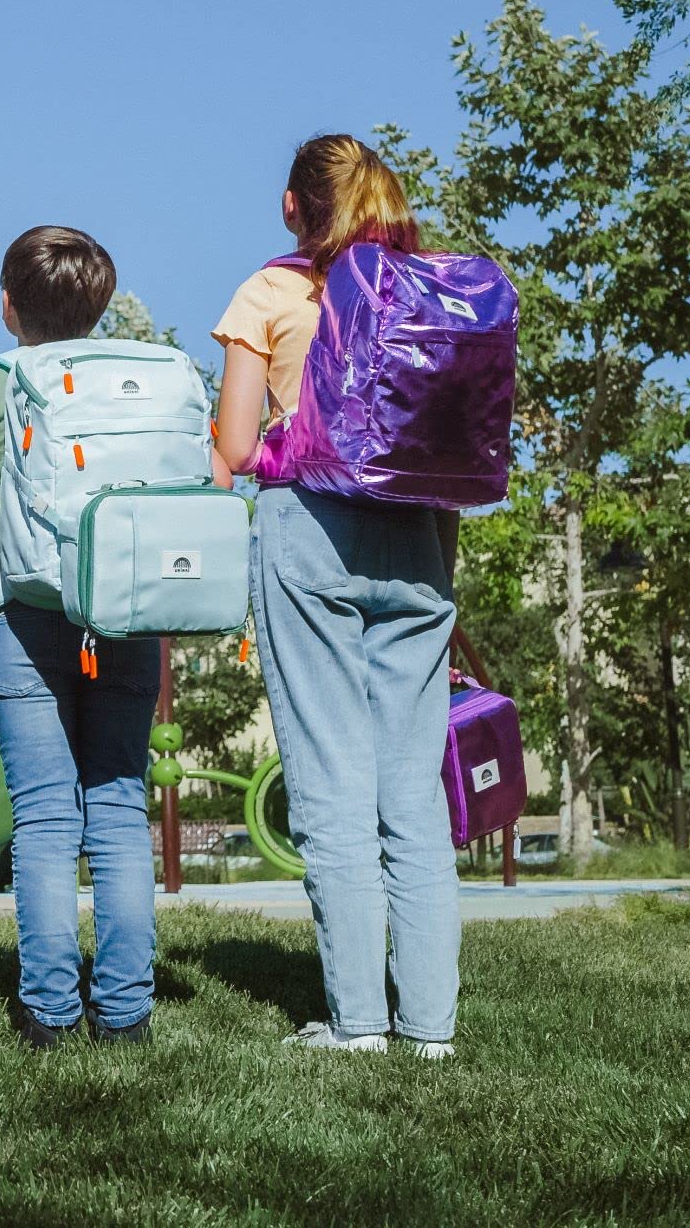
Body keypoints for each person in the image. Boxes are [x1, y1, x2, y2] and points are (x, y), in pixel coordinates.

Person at [211, 133, 460, 1059]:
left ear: (292, 208)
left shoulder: (272, 292)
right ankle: (429, 1029)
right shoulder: (429, 293)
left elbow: (238, 446)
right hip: (418, 540)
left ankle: (359, 1021)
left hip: (307, 532)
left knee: (330, 781)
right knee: (412, 788)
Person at [0, 227, 162, 1049]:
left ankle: (51, 1015)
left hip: (22, 617)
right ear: (98, 303)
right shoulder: (142, 380)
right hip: (125, 614)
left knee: (45, 821)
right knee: (119, 807)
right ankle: (126, 1013)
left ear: (6, 303)